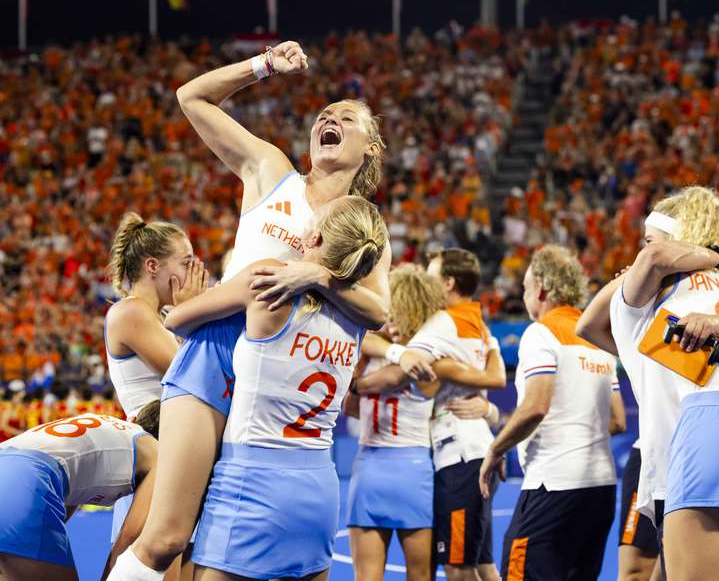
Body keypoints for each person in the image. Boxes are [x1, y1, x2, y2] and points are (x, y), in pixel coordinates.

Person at [114, 40, 393, 577]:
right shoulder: (272, 170)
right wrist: (262, 66)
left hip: (280, 383)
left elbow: (378, 310)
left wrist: (321, 275)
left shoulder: (364, 225)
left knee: (212, 542)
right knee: (169, 534)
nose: (329, 117)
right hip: (220, 351)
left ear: (372, 149)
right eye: (324, 114)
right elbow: (191, 98)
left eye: (347, 117)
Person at [115, 195, 387, 580]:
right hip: (320, 490)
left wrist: (190, 300)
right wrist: (325, 277)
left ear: (314, 237)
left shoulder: (268, 276)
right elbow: (379, 311)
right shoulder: (359, 313)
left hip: (253, 482)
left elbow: (178, 320)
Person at [580, 186, 719, 580]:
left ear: (674, 235)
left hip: (712, 436)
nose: (640, 251)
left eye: (649, 238)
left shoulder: (694, 285)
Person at [353, 258, 507, 581]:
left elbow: (358, 399)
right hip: (420, 468)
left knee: (450, 568)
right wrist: (489, 413)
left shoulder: (373, 351)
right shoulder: (442, 353)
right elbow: (489, 379)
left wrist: (362, 383)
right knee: (443, 571)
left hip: (388, 465)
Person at [479, 245, 625, 581]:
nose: (524, 294)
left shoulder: (541, 332)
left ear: (542, 287)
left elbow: (535, 407)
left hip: (555, 483)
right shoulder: (596, 338)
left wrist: (495, 448)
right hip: (600, 487)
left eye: (526, 287)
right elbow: (617, 420)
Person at [103, 212, 206, 550]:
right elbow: (190, 375)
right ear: (152, 266)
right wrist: (193, 311)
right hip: (155, 458)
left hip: (177, 455)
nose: (192, 271)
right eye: (185, 262)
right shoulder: (130, 312)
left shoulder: (162, 316)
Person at [0, 401, 161, 581]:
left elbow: (71, 487)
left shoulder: (105, 425)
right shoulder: (158, 454)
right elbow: (129, 536)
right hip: (26, 480)